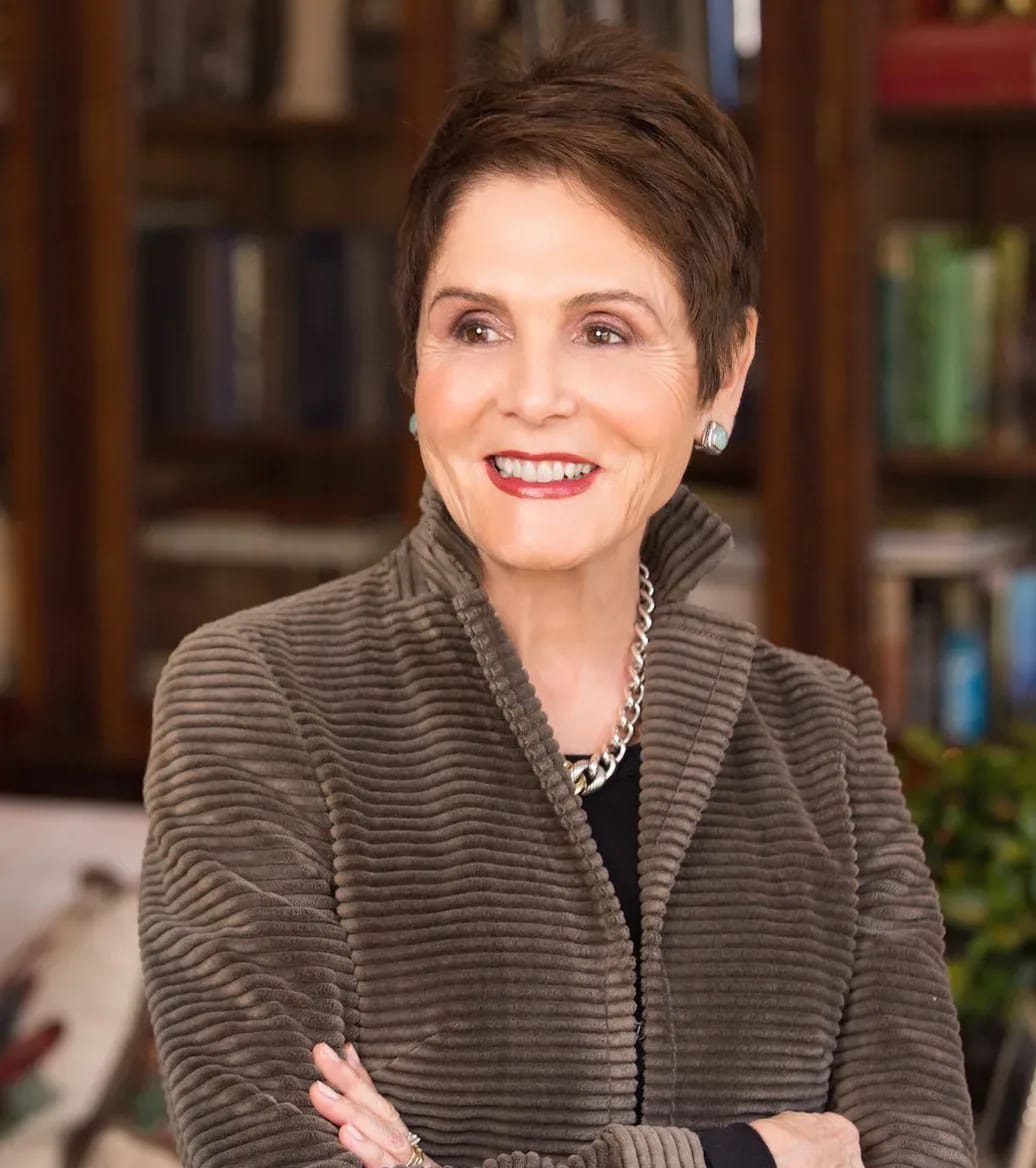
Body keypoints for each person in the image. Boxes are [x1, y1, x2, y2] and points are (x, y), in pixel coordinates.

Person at [138, 24, 977, 1168]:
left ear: (723, 373)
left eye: (603, 331)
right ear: (414, 363)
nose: (532, 396)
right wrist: (741, 1155)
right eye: (475, 326)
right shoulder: (255, 697)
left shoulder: (820, 734)